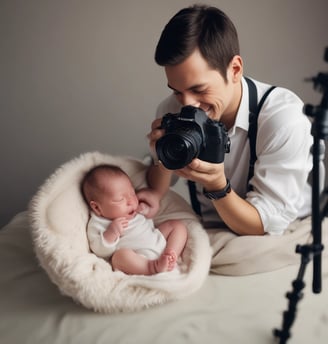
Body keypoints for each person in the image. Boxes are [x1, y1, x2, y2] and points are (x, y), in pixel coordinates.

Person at [146, 4, 320, 236]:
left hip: (286, 229)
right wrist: (162, 156)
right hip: (211, 229)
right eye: (177, 90)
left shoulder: (283, 118)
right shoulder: (171, 109)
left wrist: (217, 184)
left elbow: (265, 225)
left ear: (235, 69)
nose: (187, 103)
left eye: (199, 89)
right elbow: (155, 190)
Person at [81, 164, 188, 275]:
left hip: (157, 239)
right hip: (139, 257)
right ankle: (153, 267)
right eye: (120, 199)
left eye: (132, 193)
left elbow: (148, 221)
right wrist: (111, 233)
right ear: (97, 208)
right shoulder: (98, 223)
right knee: (119, 257)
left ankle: (171, 255)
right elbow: (99, 250)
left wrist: (145, 210)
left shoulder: (133, 209)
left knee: (177, 226)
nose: (131, 201)